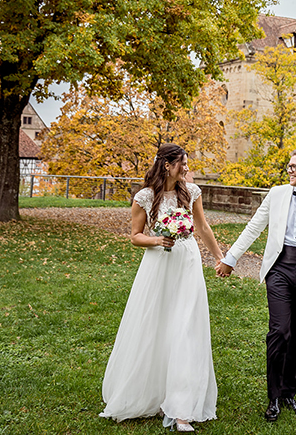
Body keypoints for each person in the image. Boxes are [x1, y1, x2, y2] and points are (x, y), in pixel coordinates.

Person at [101, 143, 225, 433]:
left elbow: (203, 228)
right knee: (155, 327)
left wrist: (221, 257)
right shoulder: (144, 197)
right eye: (182, 162)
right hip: (158, 267)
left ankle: (182, 408)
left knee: (186, 328)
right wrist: (157, 240)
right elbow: (134, 236)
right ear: (167, 165)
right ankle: (151, 393)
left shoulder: (191, 192)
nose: (187, 167)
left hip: (187, 264)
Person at [215, 149, 296, 422]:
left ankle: (288, 393)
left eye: (295, 166)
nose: (290, 171)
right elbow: (253, 227)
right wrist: (230, 258)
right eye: (288, 166)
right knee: (280, 331)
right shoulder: (276, 194)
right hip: (279, 268)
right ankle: (273, 396)